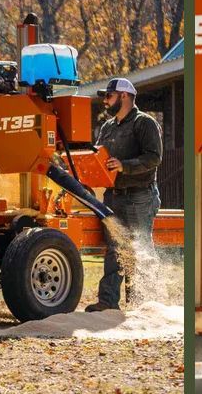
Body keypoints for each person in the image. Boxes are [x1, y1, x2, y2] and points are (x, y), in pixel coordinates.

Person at [86, 78, 163, 312]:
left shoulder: (144, 123)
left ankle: (142, 304)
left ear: (125, 96)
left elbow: (154, 157)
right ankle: (108, 302)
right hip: (114, 196)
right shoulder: (108, 127)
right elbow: (98, 157)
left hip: (140, 196)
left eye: (109, 96)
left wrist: (124, 166)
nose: (106, 100)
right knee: (115, 249)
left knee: (140, 249)